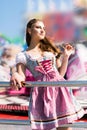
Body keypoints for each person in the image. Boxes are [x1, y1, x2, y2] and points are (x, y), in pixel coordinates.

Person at [10, 18, 84, 130]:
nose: (42, 30)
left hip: (60, 90)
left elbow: (60, 74)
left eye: (43, 28)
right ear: (29, 30)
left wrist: (66, 56)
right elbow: (21, 75)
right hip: (42, 94)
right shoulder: (23, 55)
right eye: (38, 27)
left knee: (65, 128)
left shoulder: (50, 52)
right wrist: (15, 75)